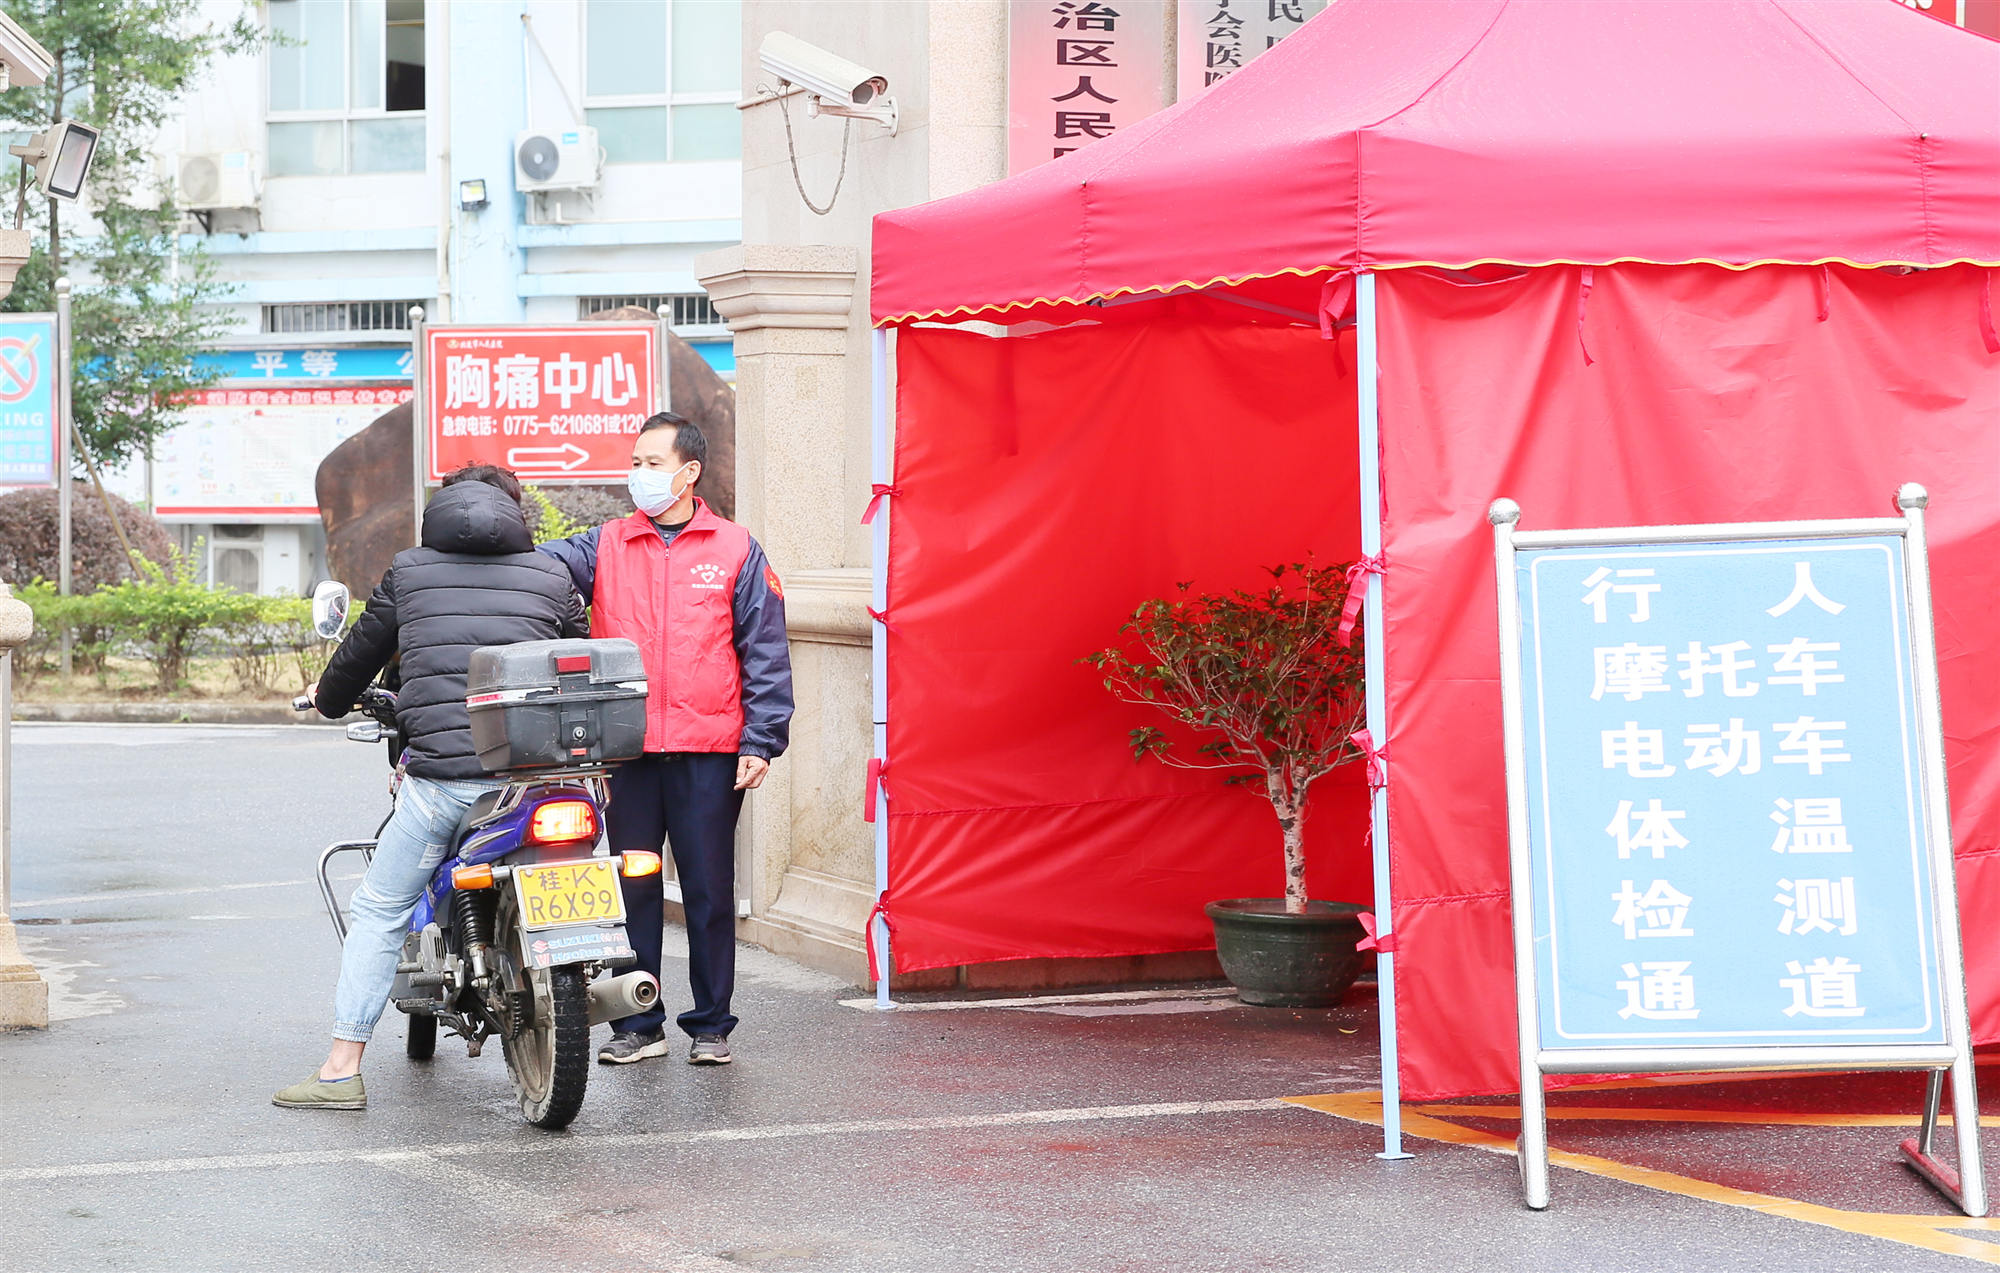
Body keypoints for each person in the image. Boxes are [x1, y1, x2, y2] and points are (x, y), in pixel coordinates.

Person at [273, 464, 587, 1111]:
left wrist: (328, 698)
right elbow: (579, 658)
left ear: (441, 510)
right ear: (516, 513)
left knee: (380, 908)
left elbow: (359, 655)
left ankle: (340, 1070)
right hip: (536, 780)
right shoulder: (553, 575)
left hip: (444, 781)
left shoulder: (411, 571)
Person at [539, 412, 793, 1067]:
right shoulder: (604, 544)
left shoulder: (736, 548)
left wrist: (761, 739)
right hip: (627, 751)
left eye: (653, 463)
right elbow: (533, 568)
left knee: (708, 890)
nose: (640, 474)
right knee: (633, 887)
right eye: (636, 462)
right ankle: (637, 1023)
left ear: (689, 472)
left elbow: (764, 649)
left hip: (710, 751)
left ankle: (711, 1026)